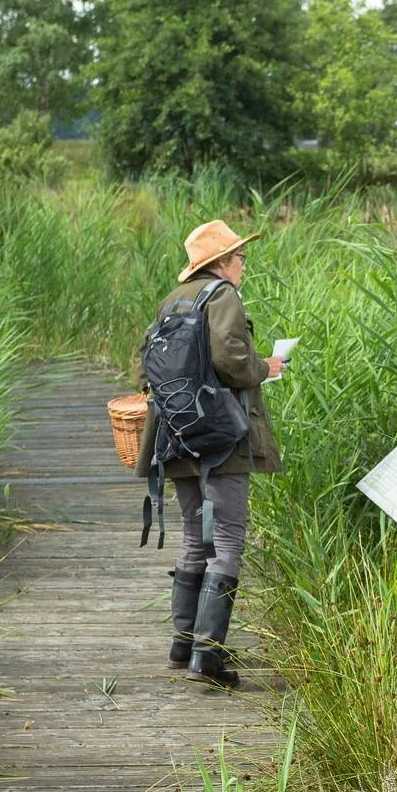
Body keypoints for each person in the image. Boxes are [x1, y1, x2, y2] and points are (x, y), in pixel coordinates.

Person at [136, 220, 284, 689]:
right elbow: (232, 361)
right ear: (221, 263)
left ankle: (184, 645)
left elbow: (144, 366)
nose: (243, 265)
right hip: (220, 436)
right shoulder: (222, 296)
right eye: (239, 258)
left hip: (175, 434)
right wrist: (268, 367)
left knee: (194, 537)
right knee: (227, 540)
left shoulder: (170, 302)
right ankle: (209, 656)